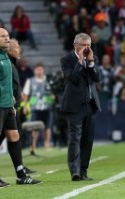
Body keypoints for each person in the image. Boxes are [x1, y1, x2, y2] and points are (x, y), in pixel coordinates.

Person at [0, 28, 41, 188]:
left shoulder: (5, 56)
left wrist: (12, 104)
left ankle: (21, 175)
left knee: (14, 137)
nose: (7, 39)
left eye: (7, 36)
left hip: (7, 105)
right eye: (3, 36)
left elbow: (7, 84)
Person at [60, 33, 101, 181]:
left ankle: (83, 170)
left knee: (87, 140)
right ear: (75, 45)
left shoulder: (92, 58)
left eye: (89, 45)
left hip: (90, 105)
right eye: (84, 45)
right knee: (75, 138)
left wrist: (90, 63)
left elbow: (97, 78)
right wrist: (80, 61)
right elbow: (73, 78)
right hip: (74, 106)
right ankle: (75, 171)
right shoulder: (66, 59)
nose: (87, 48)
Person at [22, 63, 54, 155]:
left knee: (47, 127)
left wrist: (52, 96)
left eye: (41, 69)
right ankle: (33, 145)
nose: (39, 71)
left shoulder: (48, 80)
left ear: (43, 70)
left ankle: (47, 144)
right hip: (35, 107)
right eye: (37, 69)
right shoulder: (30, 81)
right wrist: (25, 106)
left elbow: (52, 91)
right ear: (35, 71)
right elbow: (26, 94)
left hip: (47, 106)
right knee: (34, 127)